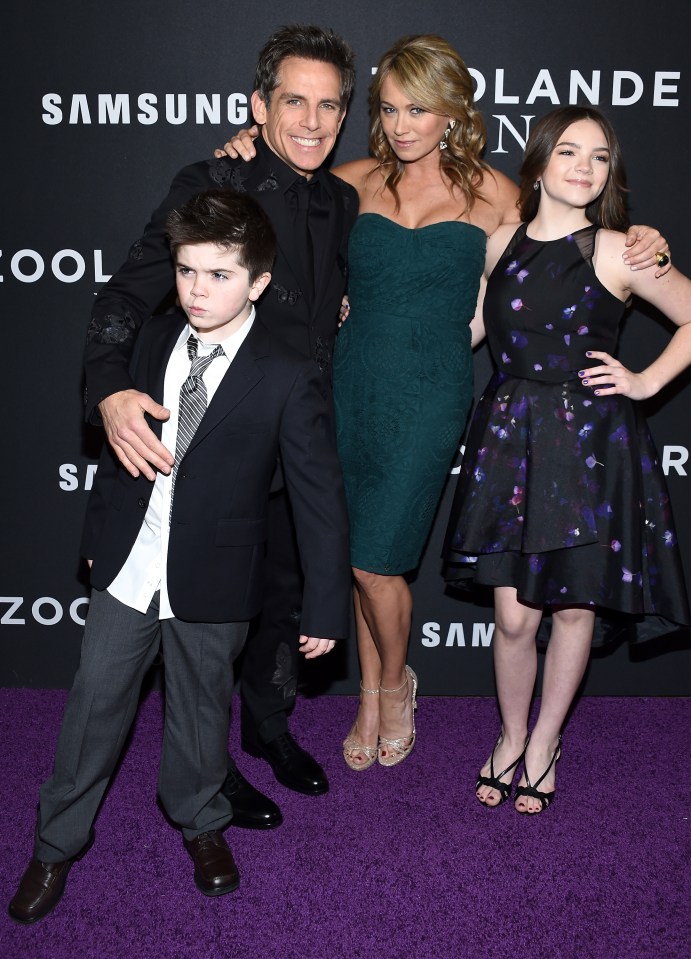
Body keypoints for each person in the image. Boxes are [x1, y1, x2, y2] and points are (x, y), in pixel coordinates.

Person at [219, 36, 668, 773]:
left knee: (374, 558)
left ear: (453, 112)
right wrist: (246, 141)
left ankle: (396, 684)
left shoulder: (497, 192)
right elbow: (277, 198)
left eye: (419, 109)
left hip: (431, 392)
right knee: (354, 551)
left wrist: (641, 236)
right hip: (347, 384)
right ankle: (370, 693)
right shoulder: (350, 180)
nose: (402, 125)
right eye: (389, 108)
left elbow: (574, 223)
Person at [8, 190, 352, 925]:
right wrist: (100, 541)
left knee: (200, 710)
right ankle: (54, 843)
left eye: (220, 274)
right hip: (132, 560)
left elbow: (318, 494)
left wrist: (325, 603)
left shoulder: (290, 368)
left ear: (258, 281)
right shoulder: (153, 337)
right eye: (188, 271)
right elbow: (114, 455)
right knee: (93, 703)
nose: (198, 289)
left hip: (219, 569)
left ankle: (201, 823)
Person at [83, 25, 359, 816]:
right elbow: (125, 298)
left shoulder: (340, 199)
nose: (310, 121)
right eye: (293, 102)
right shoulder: (212, 179)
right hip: (215, 448)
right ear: (258, 105)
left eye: (329, 106)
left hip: (296, 436)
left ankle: (267, 730)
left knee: (278, 602)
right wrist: (107, 390)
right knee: (207, 619)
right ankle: (211, 770)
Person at [443, 105, 691, 814]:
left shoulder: (619, 251)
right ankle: (510, 734)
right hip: (510, 441)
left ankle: (546, 739)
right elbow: (465, 333)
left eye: (600, 157)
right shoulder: (498, 244)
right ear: (540, 161)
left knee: (574, 612)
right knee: (515, 617)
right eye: (569, 152)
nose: (584, 168)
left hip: (589, 448)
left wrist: (643, 382)